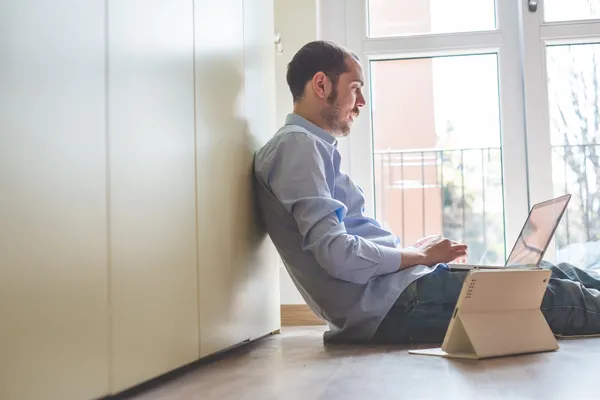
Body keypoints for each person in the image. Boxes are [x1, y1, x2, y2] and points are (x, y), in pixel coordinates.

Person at [253, 40, 600, 344]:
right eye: (355, 87)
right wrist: (420, 257)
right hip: (393, 305)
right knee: (559, 295)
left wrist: (410, 253)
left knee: (558, 272)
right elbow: (336, 253)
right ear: (320, 84)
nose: (360, 102)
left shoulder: (310, 146)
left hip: (401, 290)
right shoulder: (297, 148)